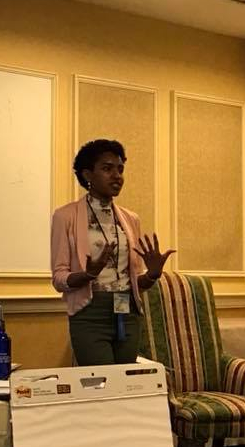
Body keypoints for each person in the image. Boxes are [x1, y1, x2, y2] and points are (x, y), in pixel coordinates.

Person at [50, 139, 174, 366]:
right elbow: (58, 279)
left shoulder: (130, 219)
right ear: (87, 175)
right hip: (89, 314)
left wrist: (152, 275)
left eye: (120, 169)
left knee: (125, 382)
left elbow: (134, 282)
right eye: (107, 169)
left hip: (127, 312)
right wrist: (88, 274)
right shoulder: (65, 216)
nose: (117, 176)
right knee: (102, 381)